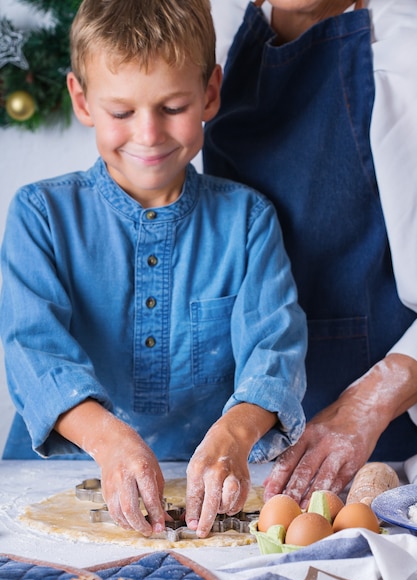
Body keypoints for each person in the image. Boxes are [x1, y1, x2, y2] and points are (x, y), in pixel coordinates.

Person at [0, 0, 307, 538]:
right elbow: (33, 351)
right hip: (50, 478)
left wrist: (235, 434)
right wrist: (110, 441)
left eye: (172, 106)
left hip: (211, 488)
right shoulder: (40, 214)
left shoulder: (248, 219)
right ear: (82, 99)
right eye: (121, 112)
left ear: (210, 92)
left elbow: (274, 349)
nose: (148, 134)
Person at [203, 0, 417, 508]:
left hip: (378, 456)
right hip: (235, 447)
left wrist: (370, 401)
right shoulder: (215, 32)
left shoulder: (403, 53)